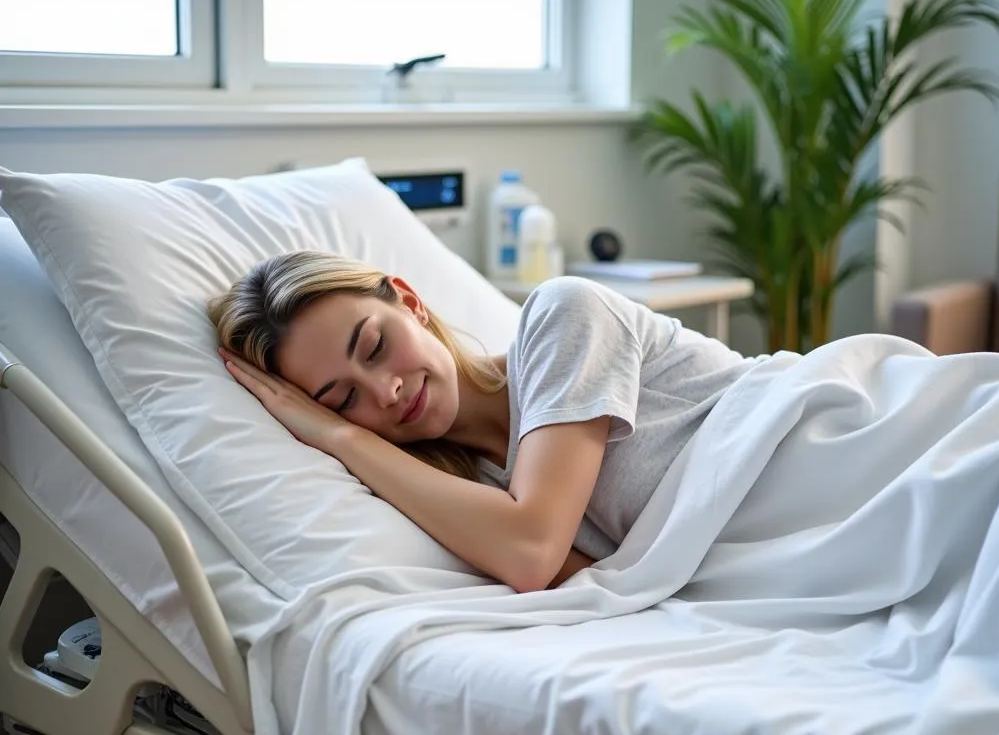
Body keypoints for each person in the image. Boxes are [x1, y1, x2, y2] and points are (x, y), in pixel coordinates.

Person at [208, 249, 757, 592]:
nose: (386, 390)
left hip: (812, 445)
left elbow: (532, 550)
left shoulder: (562, 318)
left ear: (408, 301)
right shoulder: (461, 497)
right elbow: (595, 578)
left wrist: (341, 434)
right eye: (343, 398)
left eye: (375, 346)